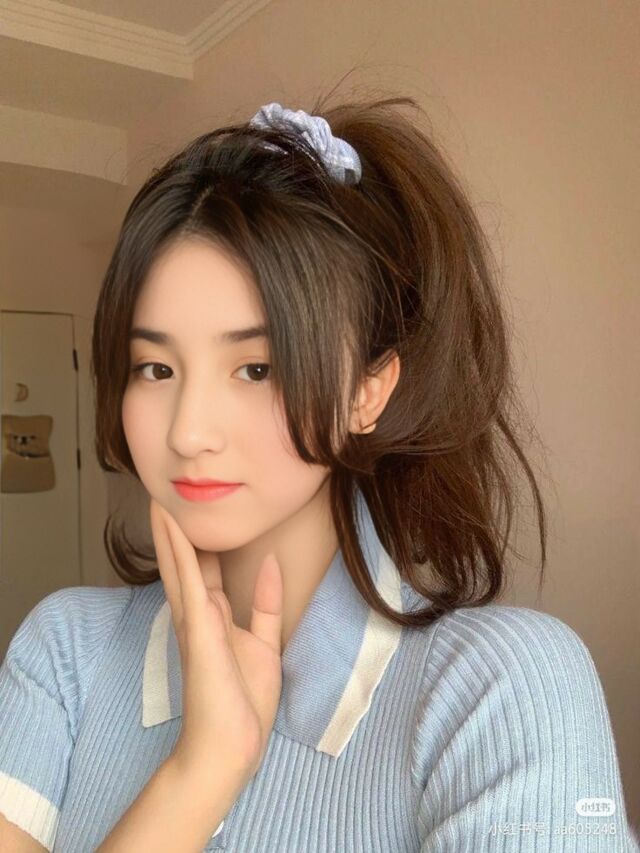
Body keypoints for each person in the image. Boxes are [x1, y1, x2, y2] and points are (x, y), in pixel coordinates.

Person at [0, 93, 637, 852]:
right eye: (155, 368)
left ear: (369, 391)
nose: (188, 431)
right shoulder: (65, 651)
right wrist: (200, 774)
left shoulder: (499, 689)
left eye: (257, 368)